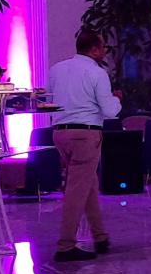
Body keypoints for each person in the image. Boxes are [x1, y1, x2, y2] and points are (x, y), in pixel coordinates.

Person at [48, 30, 122, 262]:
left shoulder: (56, 69)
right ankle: (66, 245)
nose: (105, 51)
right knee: (77, 190)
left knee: (87, 184)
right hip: (85, 135)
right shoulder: (97, 73)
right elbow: (109, 111)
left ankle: (100, 237)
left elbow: (49, 99)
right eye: (103, 47)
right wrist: (117, 99)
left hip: (60, 133)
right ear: (95, 50)